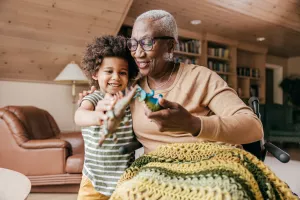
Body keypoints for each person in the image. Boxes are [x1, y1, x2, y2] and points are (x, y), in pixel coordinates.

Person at [79, 10, 263, 154]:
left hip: (212, 161)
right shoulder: (131, 88)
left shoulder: (201, 78)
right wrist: (90, 100)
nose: (138, 53)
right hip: (158, 169)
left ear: (171, 46)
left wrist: (193, 124)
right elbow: (103, 104)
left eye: (147, 42)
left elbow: (253, 127)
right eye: (133, 44)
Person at [74, 35, 138, 200]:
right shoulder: (93, 99)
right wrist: (98, 116)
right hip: (92, 178)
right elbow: (79, 116)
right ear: (95, 73)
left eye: (122, 72)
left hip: (125, 177)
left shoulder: (131, 103)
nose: (116, 77)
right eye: (109, 71)